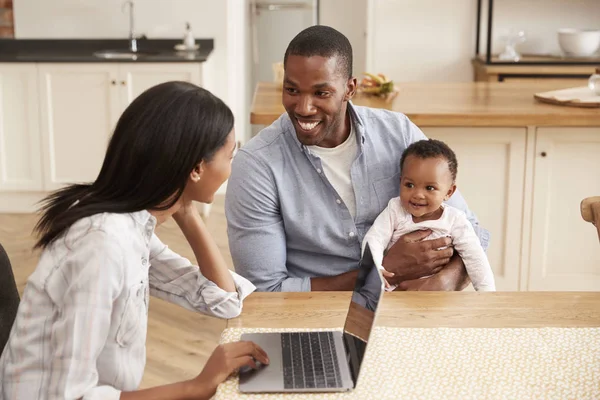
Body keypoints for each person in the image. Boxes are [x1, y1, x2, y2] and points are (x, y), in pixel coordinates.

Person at [0, 82, 269, 400]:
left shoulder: (132, 226)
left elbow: (223, 299)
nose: (230, 168)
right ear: (197, 168)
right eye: (230, 155)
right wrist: (195, 386)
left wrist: (186, 210)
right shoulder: (102, 246)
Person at [225, 25, 489, 293]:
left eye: (321, 93)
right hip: (315, 318)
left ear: (350, 88)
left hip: (411, 309)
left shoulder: (398, 133)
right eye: (292, 90)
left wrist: (445, 281)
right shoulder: (256, 165)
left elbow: (472, 231)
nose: (303, 108)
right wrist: (384, 271)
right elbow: (264, 291)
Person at [363, 139, 496, 292]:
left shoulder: (454, 220)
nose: (418, 194)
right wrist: (376, 268)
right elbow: (375, 238)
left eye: (430, 188)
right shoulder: (395, 209)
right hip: (392, 294)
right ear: (400, 182)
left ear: (449, 192)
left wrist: (487, 294)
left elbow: (475, 257)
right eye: (409, 185)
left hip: (437, 296)